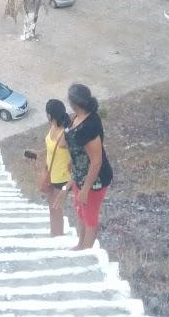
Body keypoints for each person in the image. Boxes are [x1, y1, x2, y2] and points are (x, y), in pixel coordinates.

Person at [65, 83, 112, 250]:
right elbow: (78, 148)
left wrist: (85, 189)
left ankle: (86, 253)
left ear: (74, 102)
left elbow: (96, 161)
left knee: (89, 216)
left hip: (94, 180)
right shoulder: (76, 118)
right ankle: (80, 245)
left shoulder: (89, 125)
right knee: (80, 212)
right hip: (80, 176)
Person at [42, 99, 73, 236]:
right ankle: (54, 233)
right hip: (51, 174)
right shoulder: (53, 127)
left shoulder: (65, 135)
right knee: (52, 206)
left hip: (62, 178)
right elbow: (50, 148)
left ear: (49, 116)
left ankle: (57, 236)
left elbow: (75, 154)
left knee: (55, 207)